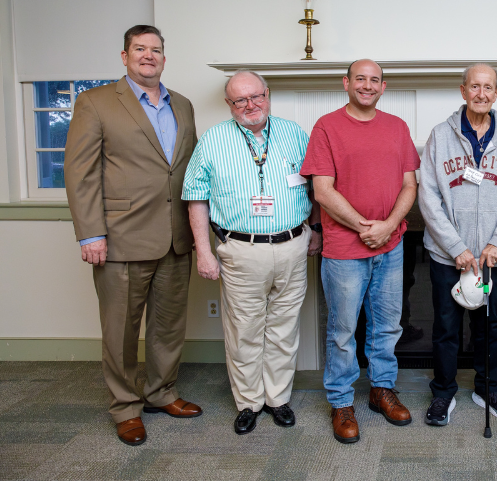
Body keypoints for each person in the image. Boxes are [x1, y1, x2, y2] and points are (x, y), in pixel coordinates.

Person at [64, 25, 200, 446]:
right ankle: (125, 407)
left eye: (155, 50)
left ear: (164, 57)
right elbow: (80, 174)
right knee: (121, 331)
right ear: (124, 56)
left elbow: (187, 170)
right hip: (121, 238)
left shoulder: (183, 104)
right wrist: (91, 235)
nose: (148, 55)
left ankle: (161, 393)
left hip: (177, 237)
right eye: (139, 49)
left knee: (168, 325)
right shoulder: (96, 102)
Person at [182, 70, 322, 435]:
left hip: (293, 245)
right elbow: (195, 198)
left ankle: (278, 398)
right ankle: (249, 402)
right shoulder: (213, 140)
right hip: (241, 250)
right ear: (229, 105)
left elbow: (317, 186)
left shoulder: (294, 133)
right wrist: (204, 252)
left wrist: (317, 230)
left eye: (256, 96)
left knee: (283, 328)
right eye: (240, 100)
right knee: (244, 331)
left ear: (268, 94)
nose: (250, 105)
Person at [301, 59, 420, 444]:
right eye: (360, 79)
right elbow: (322, 190)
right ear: (346, 83)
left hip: (392, 246)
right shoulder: (327, 127)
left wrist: (386, 227)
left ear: (383, 87)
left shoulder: (397, 127)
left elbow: (409, 186)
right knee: (342, 331)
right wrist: (363, 228)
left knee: (387, 325)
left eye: (374, 80)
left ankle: (381, 389)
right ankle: (341, 402)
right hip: (344, 250)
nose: (367, 86)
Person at [418, 63, 497, 426]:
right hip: (447, 256)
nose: (481, 93)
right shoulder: (440, 134)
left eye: (488, 87)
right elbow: (429, 198)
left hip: (490, 259)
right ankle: (443, 393)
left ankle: (488, 387)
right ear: (463, 90)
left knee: (489, 326)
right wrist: (456, 248)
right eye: (474, 86)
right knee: (446, 329)